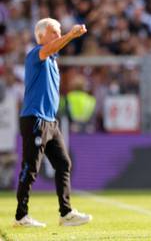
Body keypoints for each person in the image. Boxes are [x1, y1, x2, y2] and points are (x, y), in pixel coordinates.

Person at [14, 18, 92, 227]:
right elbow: (51, 48)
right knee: (31, 167)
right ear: (41, 36)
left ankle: (65, 213)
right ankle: (21, 216)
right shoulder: (35, 54)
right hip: (35, 119)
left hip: (50, 121)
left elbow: (54, 49)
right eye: (54, 32)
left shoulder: (52, 59)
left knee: (63, 164)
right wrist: (71, 35)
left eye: (59, 32)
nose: (59, 36)